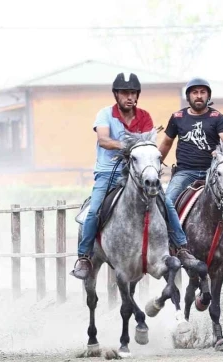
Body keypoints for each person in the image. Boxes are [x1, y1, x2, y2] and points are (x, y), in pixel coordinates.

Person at [70, 72, 198, 280]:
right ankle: (85, 257)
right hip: (107, 173)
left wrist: (141, 151)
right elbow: (103, 140)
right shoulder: (105, 114)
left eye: (133, 93)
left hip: (138, 174)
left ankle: (182, 247)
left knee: (166, 203)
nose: (130, 97)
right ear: (116, 95)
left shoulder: (145, 117)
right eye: (125, 93)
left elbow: (148, 145)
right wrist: (128, 145)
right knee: (93, 212)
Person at [158, 77, 223, 258]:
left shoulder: (218, 118)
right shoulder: (177, 118)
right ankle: (171, 242)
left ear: (208, 96)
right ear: (188, 96)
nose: (198, 96)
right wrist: (155, 163)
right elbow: (167, 143)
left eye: (202, 92)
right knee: (167, 200)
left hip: (212, 173)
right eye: (195, 92)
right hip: (185, 172)